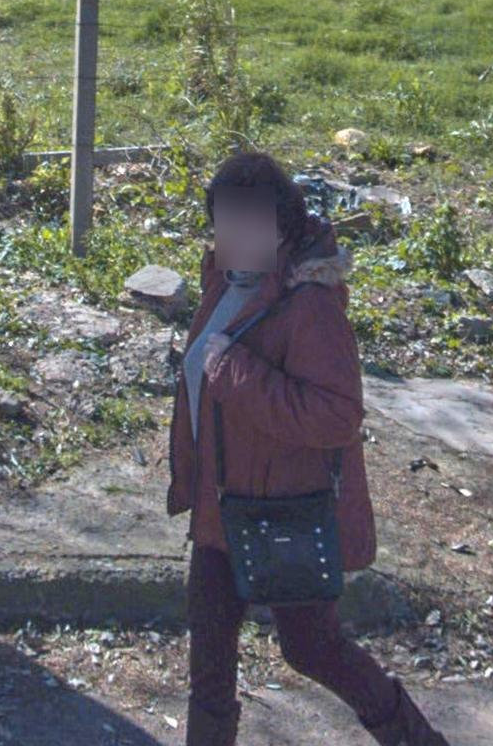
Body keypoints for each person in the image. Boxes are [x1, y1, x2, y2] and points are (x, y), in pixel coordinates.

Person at [167, 149, 446, 745]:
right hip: (219, 512)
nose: (235, 237)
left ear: (284, 226)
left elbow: (337, 416)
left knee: (312, 647)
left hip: (281, 514)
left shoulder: (311, 306)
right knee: (209, 664)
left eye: (251, 223)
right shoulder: (224, 283)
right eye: (225, 221)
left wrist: (234, 371)